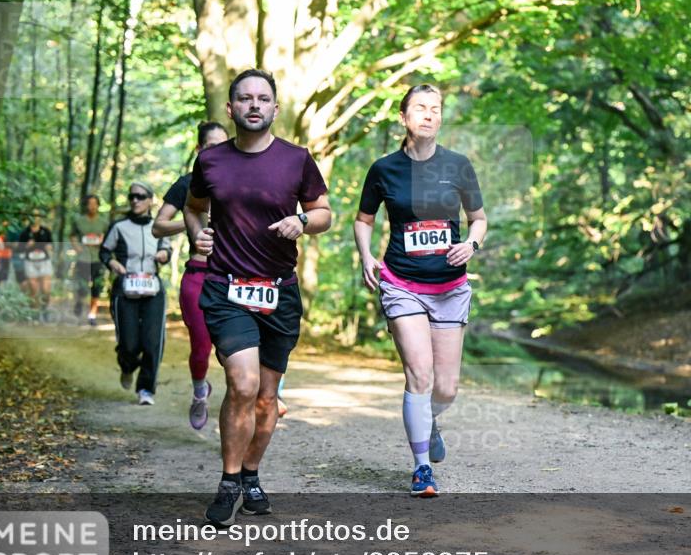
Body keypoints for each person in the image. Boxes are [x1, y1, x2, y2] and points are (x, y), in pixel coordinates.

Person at [185, 69, 331, 526]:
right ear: (230, 109)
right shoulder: (211, 162)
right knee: (243, 385)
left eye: (262, 98)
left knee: (267, 398)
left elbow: (324, 212)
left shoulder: (297, 159)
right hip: (227, 288)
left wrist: (304, 223)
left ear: (274, 108)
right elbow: (193, 208)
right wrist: (198, 236)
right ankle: (229, 482)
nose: (254, 105)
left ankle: (251, 475)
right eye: (245, 99)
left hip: (279, 292)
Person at [353, 84, 487, 497]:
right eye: (420, 108)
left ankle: (430, 421)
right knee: (420, 373)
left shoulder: (459, 166)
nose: (429, 115)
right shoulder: (384, 169)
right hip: (402, 284)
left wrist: (472, 243)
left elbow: (478, 219)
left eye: (436, 109)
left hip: (449, 287)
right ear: (404, 117)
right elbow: (363, 220)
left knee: (446, 387)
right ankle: (422, 467)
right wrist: (365, 256)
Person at [152, 121, 229, 429]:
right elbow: (158, 226)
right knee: (201, 345)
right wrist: (192, 218)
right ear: (199, 150)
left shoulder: (239, 181)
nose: (217, 152)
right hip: (198, 274)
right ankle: (200, 390)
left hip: (233, 276)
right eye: (211, 146)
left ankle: (238, 418)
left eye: (223, 146)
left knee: (233, 352)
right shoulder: (187, 183)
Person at [100, 183, 172, 406]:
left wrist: (163, 254)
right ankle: (127, 365)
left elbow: (167, 250)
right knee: (129, 343)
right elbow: (104, 251)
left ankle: (146, 389)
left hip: (152, 288)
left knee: (153, 342)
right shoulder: (119, 226)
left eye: (141, 197)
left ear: (150, 200)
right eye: (132, 196)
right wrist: (113, 264)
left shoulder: (159, 227)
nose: (135, 201)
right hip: (126, 287)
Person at [70, 194, 109, 325]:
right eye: (89, 203)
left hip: (98, 259)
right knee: (82, 287)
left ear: (98, 205)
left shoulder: (104, 223)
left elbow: (108, 238)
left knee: (96, 288)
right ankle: (79, 303)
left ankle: (92, 315)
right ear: (86, 205)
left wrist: (102, 242)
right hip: (83, 259)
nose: (92, 206)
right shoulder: (79, 221)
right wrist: (77, 248)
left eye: (94, 203)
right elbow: (72, 236)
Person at [19, 214, 55, 322]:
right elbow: (19, 248)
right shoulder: (25, 233)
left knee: (45, 288)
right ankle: (35, 313)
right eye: (32, 216)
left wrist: (49, 247)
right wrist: (26, 246)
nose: (35, 218)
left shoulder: (46, 231)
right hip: (30, 262)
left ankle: (45, 310)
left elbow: (51, 245)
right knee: (33, 289)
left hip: (44, 261)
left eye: (37, 216)